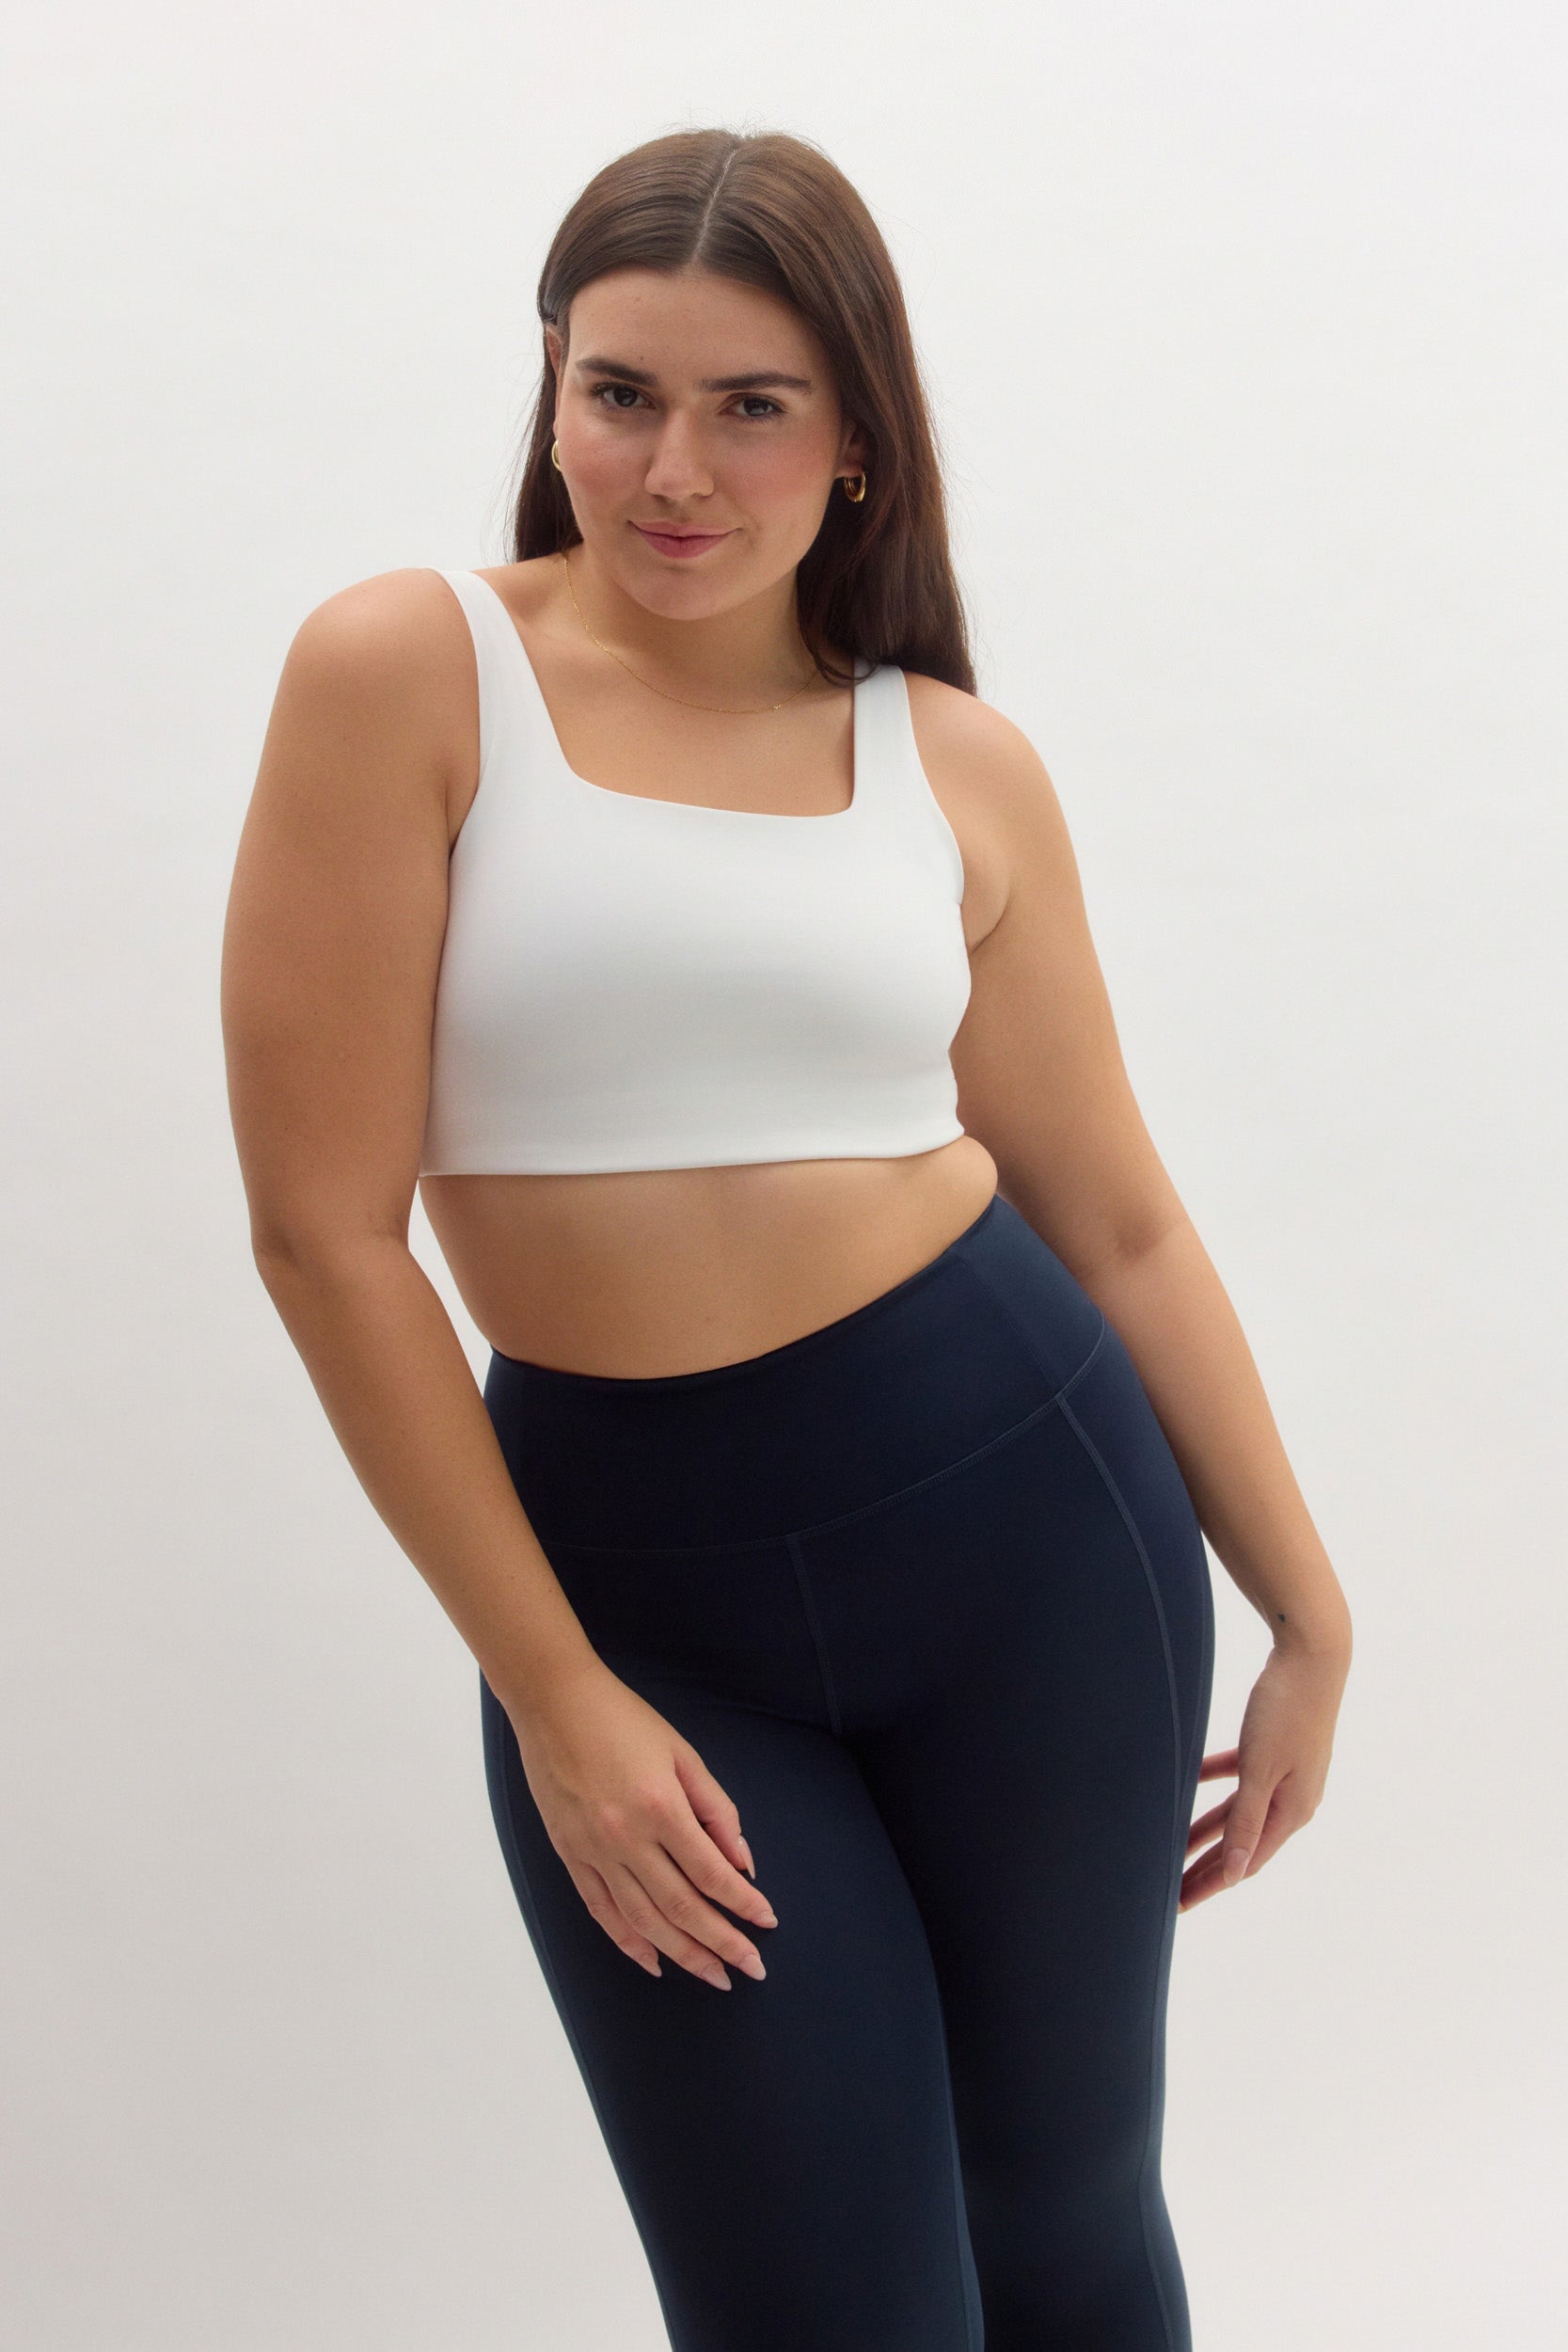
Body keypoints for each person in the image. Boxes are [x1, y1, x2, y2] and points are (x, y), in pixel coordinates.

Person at [221, 125, 1353, 2352]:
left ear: (856, 441)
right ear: (553, 388)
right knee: (817, 2301)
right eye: (621, 391)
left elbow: (1119, 1220)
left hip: (1037, 1542)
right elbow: (323, 1238)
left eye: (752, 405)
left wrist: (1307, 1604)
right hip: (645, 1604)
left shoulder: (955, 762)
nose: (674, 467)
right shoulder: (407, 675)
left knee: (1063, 2221)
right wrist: (558, 1690)